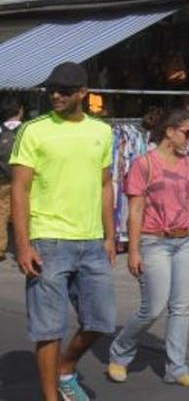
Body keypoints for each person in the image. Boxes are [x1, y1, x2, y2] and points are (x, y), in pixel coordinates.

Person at [10, 62, 115, 401]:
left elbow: (106, 185)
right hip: (48, 240)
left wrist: (111, 236)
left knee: (101, 321)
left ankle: (66, 367)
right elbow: (19, 189)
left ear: (83, 93)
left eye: (65, 90)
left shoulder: (101, 132)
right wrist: (22, 245)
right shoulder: (34, 130)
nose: (56, 95)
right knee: (48, 328)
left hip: (91, 241)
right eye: (51, 89)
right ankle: (51, 397)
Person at [107, 108, 189, 387]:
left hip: (186, 241)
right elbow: (135, 210)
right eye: (187, 132)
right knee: (152, 307)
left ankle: (176, 368)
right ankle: (120, 351)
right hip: (154, 241)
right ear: (169, 132)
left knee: (181, 308)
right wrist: (133, 250)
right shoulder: (144, 164)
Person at [0, 93, 25, 259]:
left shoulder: (0, 129)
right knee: (22, 213)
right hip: (23, 180)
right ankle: (22, 248)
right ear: (20, 110)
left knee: (1, 214)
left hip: (2, 180)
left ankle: (0, 248)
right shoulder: (26, 129)